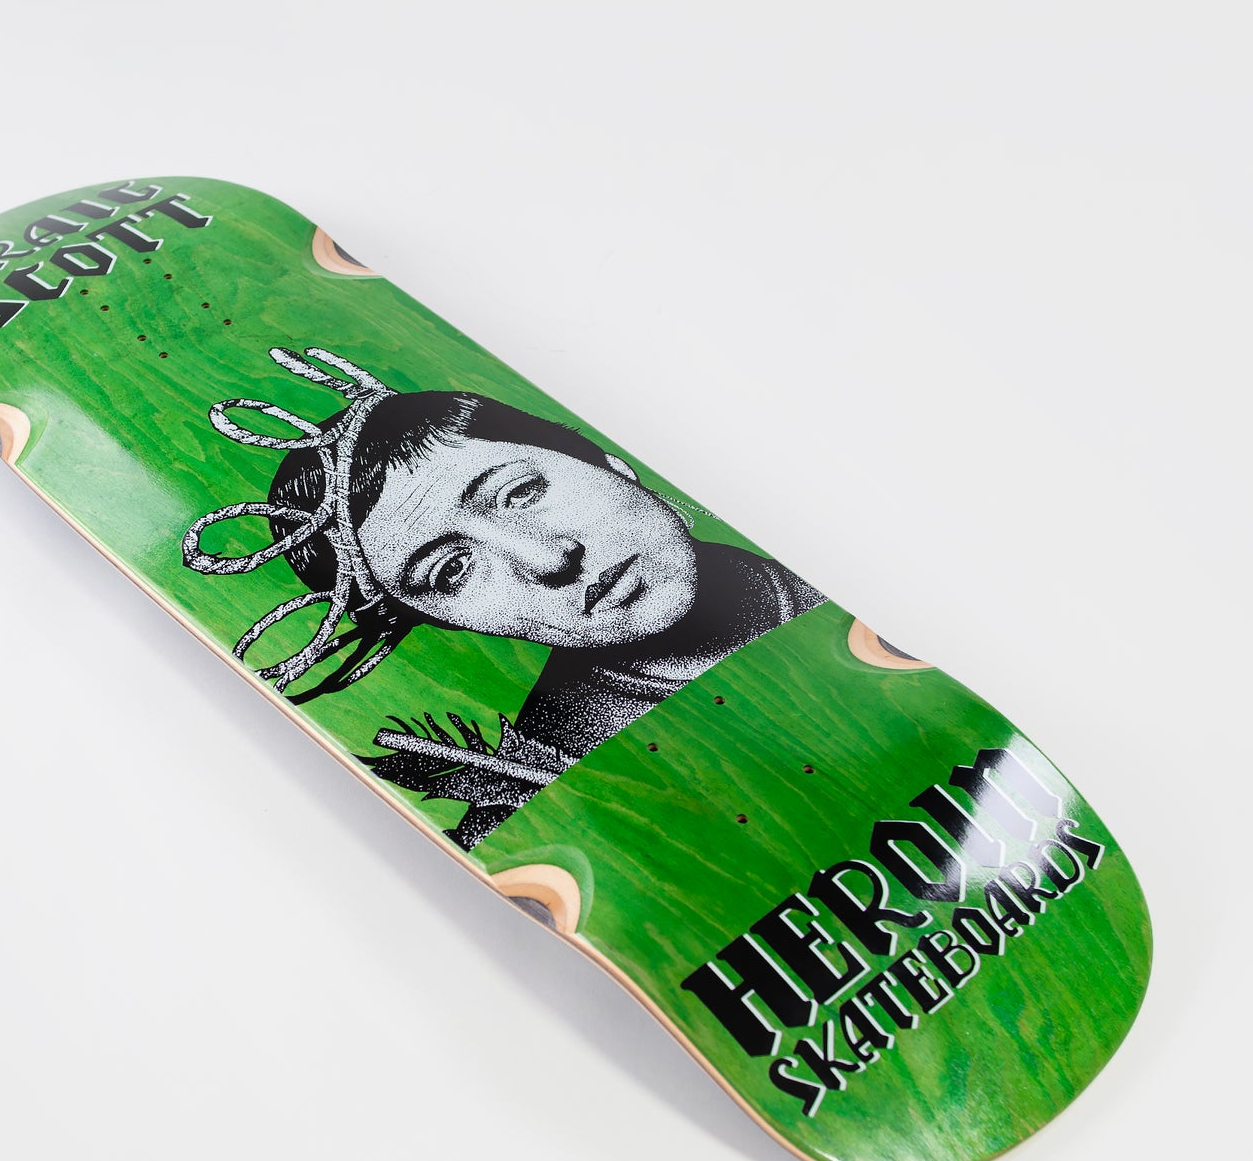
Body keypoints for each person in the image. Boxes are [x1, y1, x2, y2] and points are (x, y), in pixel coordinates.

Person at [183, 347, 824, 848]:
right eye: (452, 571)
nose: (550, 560)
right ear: (449, 622)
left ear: (605, 460)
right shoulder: (540, 804)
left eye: (519, 493)